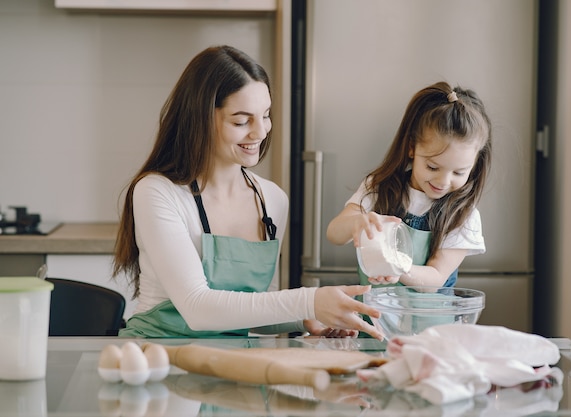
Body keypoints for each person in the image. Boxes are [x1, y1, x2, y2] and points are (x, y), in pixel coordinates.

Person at [113, 45, 383, 339]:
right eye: (242, 121)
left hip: (228, 364)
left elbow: (254, 311)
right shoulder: (157, 192)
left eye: (265, 115)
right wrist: (309, 301)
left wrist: (305, 319)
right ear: (200, 118)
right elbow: (197, 308)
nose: (260, 132)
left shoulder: (272, 200)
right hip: (157, 357)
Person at [327, 81, 491, 288]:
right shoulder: (379, 188)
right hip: (373, 316)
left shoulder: (464, 215)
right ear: (412, 148)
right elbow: (334, 233)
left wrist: (398, 268)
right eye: (432, 167)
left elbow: (435, 279)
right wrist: (356, 222)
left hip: (430, 319)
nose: (443, 181)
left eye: (459, 172)